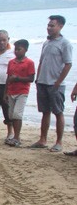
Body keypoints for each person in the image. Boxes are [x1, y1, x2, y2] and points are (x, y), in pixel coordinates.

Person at [31, 15, 72, 152]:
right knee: (45, 112)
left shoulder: (65, 44)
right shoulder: (46, 43)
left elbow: (68, 64)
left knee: (58, 112)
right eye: (48, 25)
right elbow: (41, 62)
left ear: (60, 26)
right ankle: (42, 139)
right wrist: (38, 79)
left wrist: (58, 82)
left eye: (52, 25)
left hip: (55, 84)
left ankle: (59, 142)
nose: (49, 28)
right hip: (42, 82)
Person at [3, 39, 35, 147]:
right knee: (11, 115)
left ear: (25, 50)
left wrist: (17, 78)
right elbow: (8, 78)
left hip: (22, 91)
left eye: (19, 49)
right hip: (11, 91)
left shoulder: (29, 63)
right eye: (15, 49)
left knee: (17, 114)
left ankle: (17, 137)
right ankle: (15, 136)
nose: (16, 51)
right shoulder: (11, 62)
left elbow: (31, 78)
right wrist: (5, 93)